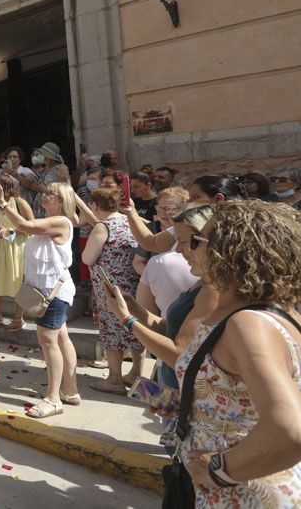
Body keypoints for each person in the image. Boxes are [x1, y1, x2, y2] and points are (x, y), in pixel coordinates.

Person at [109, 200, 301, 505]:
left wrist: (217, 470)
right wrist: (185, 405)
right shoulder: (254, 312)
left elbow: (291, 430)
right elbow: (238, 396)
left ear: (231, 252)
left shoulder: (248, 324)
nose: (186, 249)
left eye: (196, 241)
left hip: (241, 492)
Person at [104, 206, 218, 391]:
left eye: (183, 242)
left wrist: (127, 319)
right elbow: (171, 331)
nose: (178, 250)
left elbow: (180, 355)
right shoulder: (202, 283)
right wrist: (133, 308)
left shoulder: (213, 290)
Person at [0, 182, 81, 418]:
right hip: (46, 290)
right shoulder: (50, 221)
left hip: (53, 292)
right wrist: (10, 232)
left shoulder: (61, 221)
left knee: (48, 340)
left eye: (50, 193)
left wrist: (2, 203)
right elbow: (26, 230)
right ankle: (70, 391)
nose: (45, 195)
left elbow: (25, 225)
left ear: (61, 200)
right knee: (61, 338)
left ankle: (53, 399)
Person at [82, 186, 145, 394]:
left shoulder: (103, 226)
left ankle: (115, 379)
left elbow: (87, 258)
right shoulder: (132, 221)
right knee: (135, 329)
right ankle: (136, 372)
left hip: (111, 289)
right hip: (134, 285)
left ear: (96, 205)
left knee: (112, 332)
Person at [135, 187, 196, 319]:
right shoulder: (149, 230)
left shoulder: (192, 231)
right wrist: (157, 279)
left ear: (184, 210)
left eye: (169, 209)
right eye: (160, 208)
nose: (163, 213)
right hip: (154, 291)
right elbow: (137, 262)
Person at [0, 173, 33, 331]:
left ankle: (19, 318)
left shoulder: (20, 202)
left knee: (18, 281)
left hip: (17, 246)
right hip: (2, 246)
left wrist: (10, 231)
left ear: (2, 187)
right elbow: (0, 222)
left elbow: (31, 226)